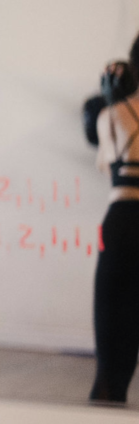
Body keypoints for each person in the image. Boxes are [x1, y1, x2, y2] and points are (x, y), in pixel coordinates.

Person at [90, 34, 139, 404]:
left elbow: (107, 164)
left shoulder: (110, 114)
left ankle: (110, 394)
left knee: (113, 314)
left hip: (121, 218)